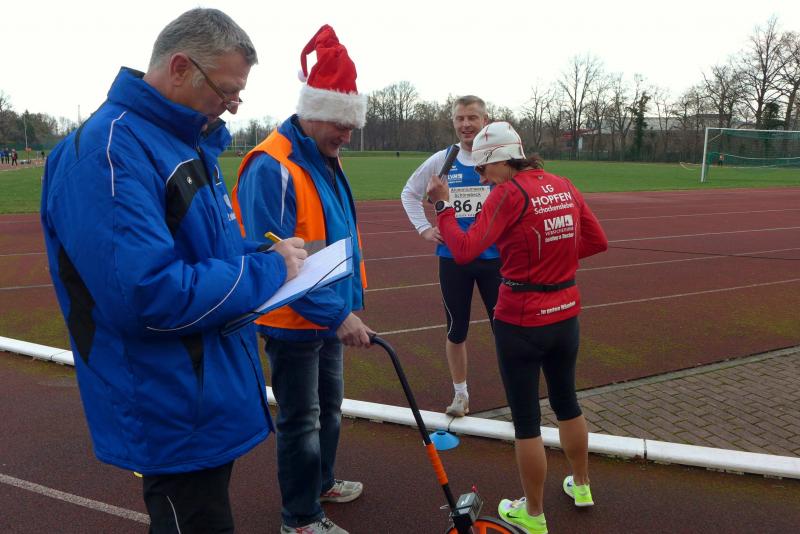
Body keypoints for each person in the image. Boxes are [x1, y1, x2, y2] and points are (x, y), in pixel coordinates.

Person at [40, 8, 308, 533]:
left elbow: (202, 249)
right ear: (181, 67)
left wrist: (262, 254)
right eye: (226, 91)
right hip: (169, 400)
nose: (232, 105)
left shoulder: (182, 141)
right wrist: (266, 272)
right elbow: (149, 295)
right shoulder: (110, 152)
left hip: (201, 391)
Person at [427, 121, 608, 534]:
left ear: (500, 160)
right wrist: (553, 259)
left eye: (482, 168)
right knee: (567, 402)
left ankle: (534, 513)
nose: (481, 178)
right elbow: (596, 240)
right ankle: (581, 485)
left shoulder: (507, 193)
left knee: (526, 422)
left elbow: (464, 250)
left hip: (521, 319)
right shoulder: (563, 184)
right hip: (566, 311)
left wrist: (443, 206)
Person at [233, 25, 372, 534]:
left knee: (329, 409)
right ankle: (300, 517)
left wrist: (341, 308)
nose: (347, 136)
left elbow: (331, 238)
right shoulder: (271, 166)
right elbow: (273, 260)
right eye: (340, 125)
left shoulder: (324, 157)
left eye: (351, 127)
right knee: (300, 419)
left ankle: (322, 482)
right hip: (294, 320)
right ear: (313, 111)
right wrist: (338, 314)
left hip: (328, 312)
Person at [400, 95, 500, 417]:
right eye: (460, 118)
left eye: (472, 118)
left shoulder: (499, 159)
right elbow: (409, 193)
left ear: (485, 121)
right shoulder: (442, 160)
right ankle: (460, 394)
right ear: (454, 122)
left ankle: (516, 392)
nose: (466, 124)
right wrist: (424, 229)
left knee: (506, 330)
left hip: (495, 260)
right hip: (453, 259)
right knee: (456, 329)